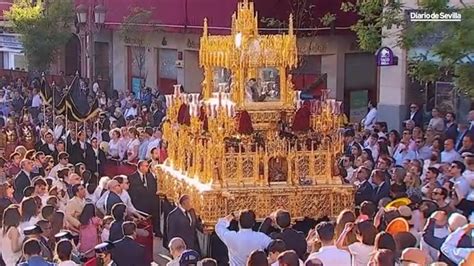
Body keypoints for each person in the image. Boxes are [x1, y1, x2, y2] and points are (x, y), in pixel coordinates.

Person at [128, 160, 160, 236]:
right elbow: (132, 192)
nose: (147, 168)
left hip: (151, 201)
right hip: (139, 202)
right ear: (141, 167)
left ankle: (157, 231)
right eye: (146, 166)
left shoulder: (150, 176)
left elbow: (153, 188)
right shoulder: (132, 177)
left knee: (155, 216)